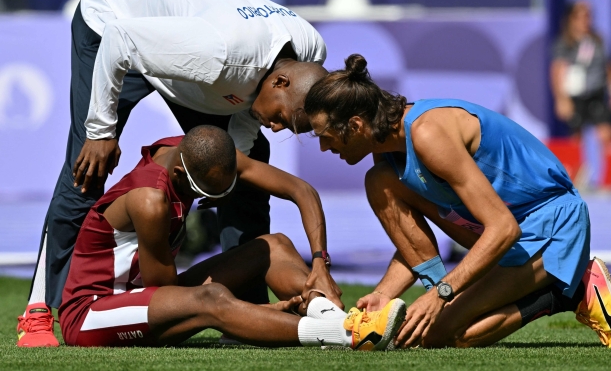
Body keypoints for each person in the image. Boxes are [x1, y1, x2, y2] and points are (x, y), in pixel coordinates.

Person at [18, 0, 335, 347]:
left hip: (188, 54)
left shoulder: (309, 53)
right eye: (283, 118)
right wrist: (101, 131)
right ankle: (38, 310)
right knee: (88, 168)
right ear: (280, 83)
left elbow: (278, 171)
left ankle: (248, 308)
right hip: (114, 28)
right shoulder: (220, 54)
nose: (280, 128)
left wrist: (235, 172)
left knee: (242, 169)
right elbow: (122, 40)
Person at [303, 54, 611, 349]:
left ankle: (567, 293)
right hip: (506, 232)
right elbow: (412, 242)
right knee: (380, 183)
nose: (323, 148)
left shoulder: (428, 134)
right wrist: (384, 294)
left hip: (551, 228)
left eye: (324, 136)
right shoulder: (387, 155)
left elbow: (503, 228)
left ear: (356, 126)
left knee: (439, 336)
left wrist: (442, 294)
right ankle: (451, 296)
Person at [36, 126, 406, 349]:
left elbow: (301, 189)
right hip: (92, 313)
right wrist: (257, 311)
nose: (217, 200)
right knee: (213, 300)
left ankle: (336, 315)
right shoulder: (150, 201)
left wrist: (320, 261)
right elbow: (166, 290)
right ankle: (346, 336)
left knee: (273, 245)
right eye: (208, 192)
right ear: (181, 173)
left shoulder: (202, 150)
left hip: (145, 296)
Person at [550, 0, 611, 188]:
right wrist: (561, 99)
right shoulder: (565, 43)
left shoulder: (598, 40)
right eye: (581, 16)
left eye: (588, 15)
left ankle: (609, 178)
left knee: (606, 134)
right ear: (572, 19)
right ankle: (578, 178)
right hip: (575, 96)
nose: (586, 20)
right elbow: (558, 71)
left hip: (597, 93)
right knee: (576, 139)